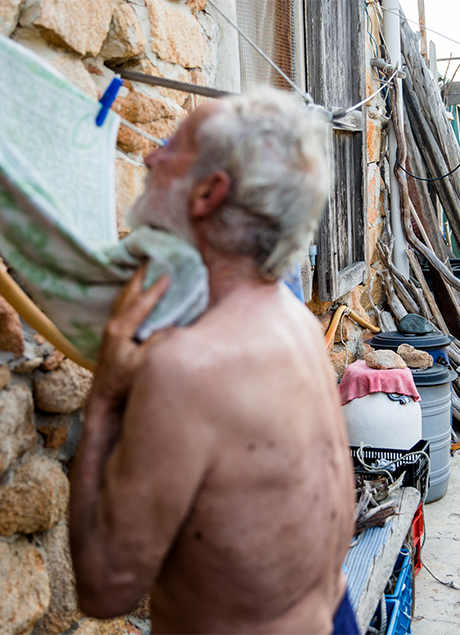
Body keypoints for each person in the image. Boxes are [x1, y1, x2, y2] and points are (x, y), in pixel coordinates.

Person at [69, 88, 359, 634]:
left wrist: (105, 400)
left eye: (173, 144)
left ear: (208, 194)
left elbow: (104, 588)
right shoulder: (294, 317)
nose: (152, 156)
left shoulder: (186, 366)